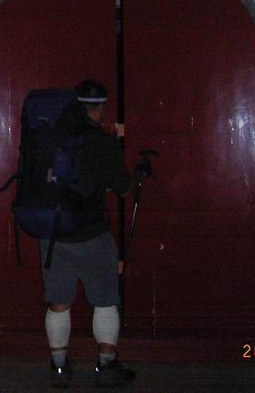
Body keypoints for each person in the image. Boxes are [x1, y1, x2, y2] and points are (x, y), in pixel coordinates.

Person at [43, 80, 144, 389]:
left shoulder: (51, 136)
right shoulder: (103, 142)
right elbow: (124, 188)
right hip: (91, 233)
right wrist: (137, 176)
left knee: (58, 302)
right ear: (99, 109)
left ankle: (59, 368)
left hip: (53, 233)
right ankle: (107, 365)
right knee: (105, 300)